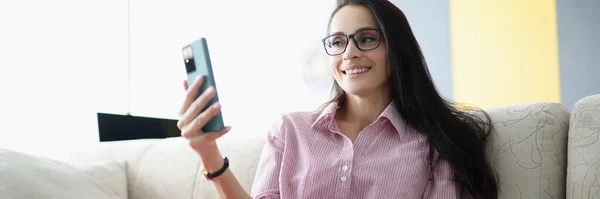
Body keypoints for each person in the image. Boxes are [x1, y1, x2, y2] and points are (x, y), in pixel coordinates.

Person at [177, 0, 499, 198]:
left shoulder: (433, 144)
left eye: (367, 39)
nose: (350, 52)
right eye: (338, 42)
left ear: (396, 49)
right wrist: (208, 153)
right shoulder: (290, 130)